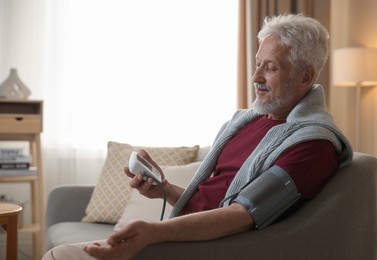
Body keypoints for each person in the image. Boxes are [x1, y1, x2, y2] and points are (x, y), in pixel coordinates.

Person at [43, 13, 352, 260]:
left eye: (270, 68)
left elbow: (241, 216)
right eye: (257, 64)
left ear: (306, 76)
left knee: (61, 255)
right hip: (185, 234)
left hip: (214, 246)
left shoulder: (312, 145)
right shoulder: (247, 121)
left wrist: (154, 232)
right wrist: (164, 190)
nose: (256, 77)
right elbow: (212, 198)